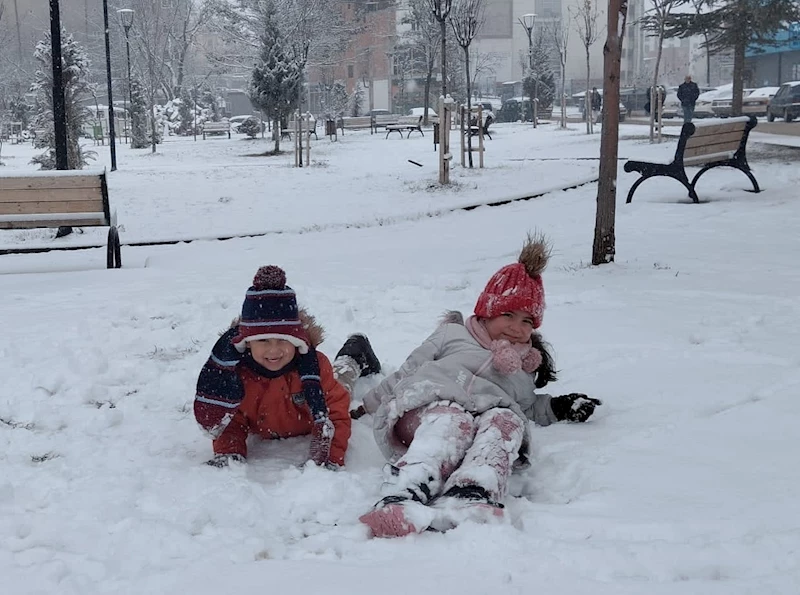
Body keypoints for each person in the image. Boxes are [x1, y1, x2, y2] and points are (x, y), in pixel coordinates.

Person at [354, 235, 602, 538]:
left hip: (475, 432)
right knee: (451, 418)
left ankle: (473, 491)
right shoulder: (452, 335)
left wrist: (557, 406)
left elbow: (526, 406)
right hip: (423, 413)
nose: (517, 327)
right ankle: (405, 491)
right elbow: (409, 369)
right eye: (508, 315)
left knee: (508, 420)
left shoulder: (520, 370)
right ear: (487, 311)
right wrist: (369, 403)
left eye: (527, 321)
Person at [193, 265, 380, 469]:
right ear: (247, 343)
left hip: (318, 390)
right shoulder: (235, 374)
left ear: (297, 341)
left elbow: (335, 414)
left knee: (342, 382)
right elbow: (232, 420)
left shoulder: (315, 367)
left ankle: (354, 353)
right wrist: (229, 452)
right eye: (263, 340)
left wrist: (330, 456)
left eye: (283, 340)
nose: (274, 350)